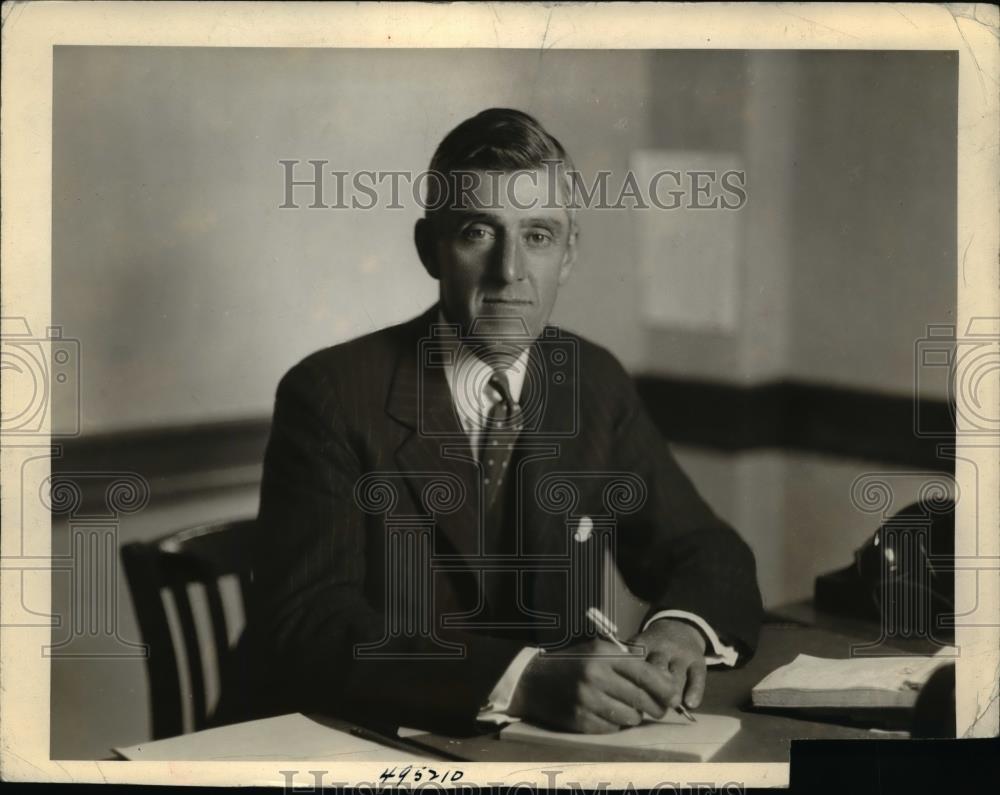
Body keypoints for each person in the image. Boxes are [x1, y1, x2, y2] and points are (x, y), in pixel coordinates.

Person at [230, 108, 763, 735]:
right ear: (430, 250)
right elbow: (310, 624)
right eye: (480, 232)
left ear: (568, 254)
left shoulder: (590, 381)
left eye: (538, 235)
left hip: (528, 752)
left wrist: (680, 626)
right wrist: (517, 679)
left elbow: (706, 548)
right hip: (343, 743)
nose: (509, 271)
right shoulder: (331, 393)